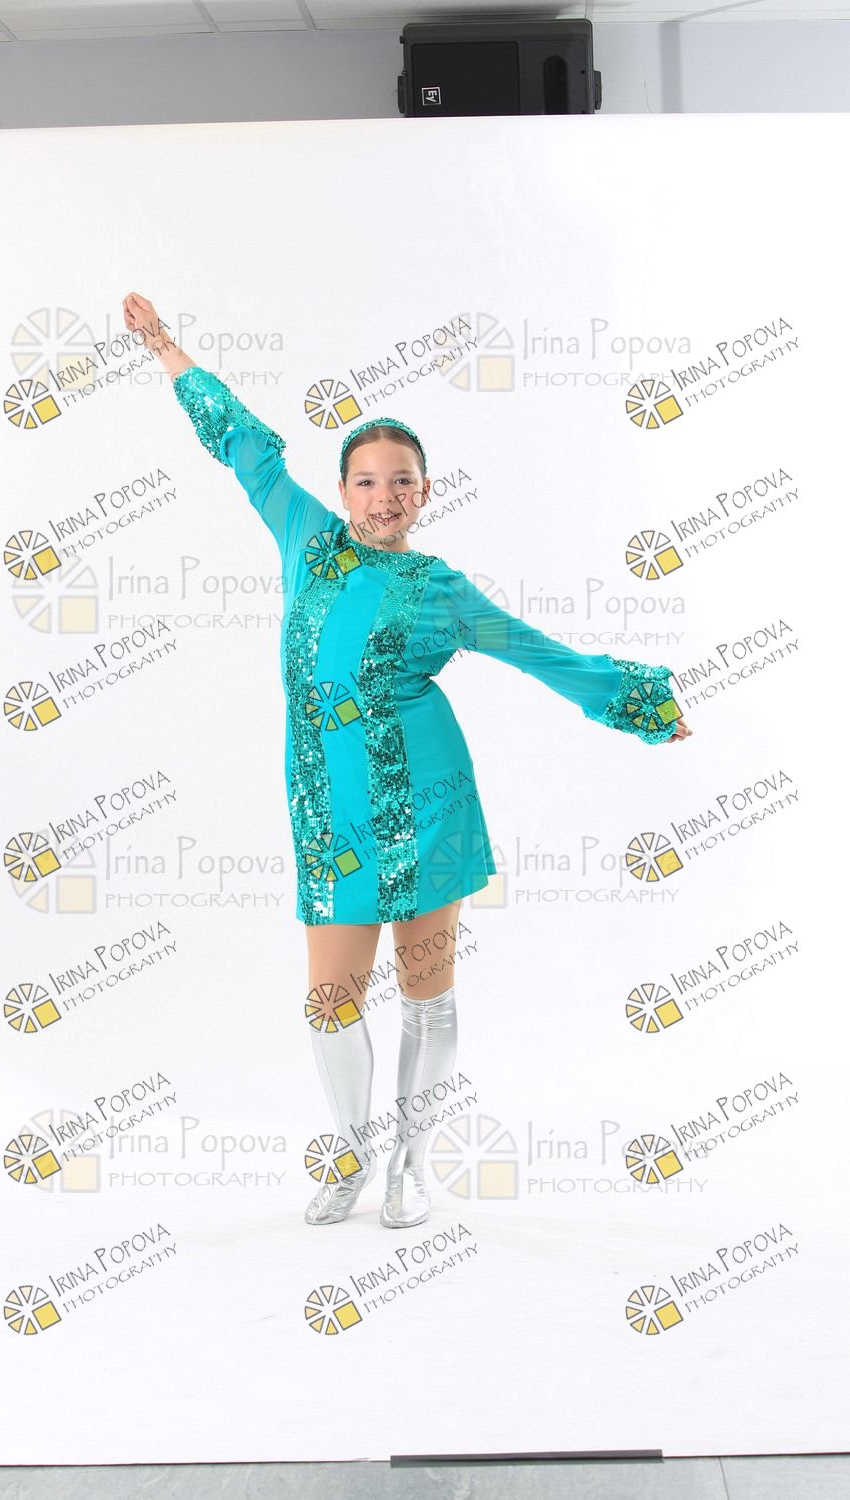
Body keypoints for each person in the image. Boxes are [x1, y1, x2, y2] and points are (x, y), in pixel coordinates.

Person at [122, 293, 693, 1233]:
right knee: (329, 999)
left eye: (401, 481)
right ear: (343, 491)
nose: (383, 496)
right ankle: (351, 1154)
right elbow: (245, 449)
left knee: (427, 996)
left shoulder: (442, 590)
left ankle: (411, 1165)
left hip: (429, 805)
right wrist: (166, 350)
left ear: (425, 493)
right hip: (328, 809)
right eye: (366, 481)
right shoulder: (306, 540)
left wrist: (643, 705)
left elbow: (544, 657)